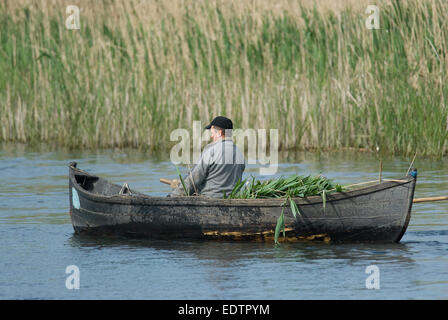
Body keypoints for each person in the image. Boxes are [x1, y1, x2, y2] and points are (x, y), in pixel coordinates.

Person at [170, 116, 245, 198]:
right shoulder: (239, 153)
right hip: (231, 198)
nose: (211, 136)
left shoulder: (211, 151)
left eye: (212, 133)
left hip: (209, 199)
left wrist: (173, 195)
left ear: (219, 133)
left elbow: (194, 178)